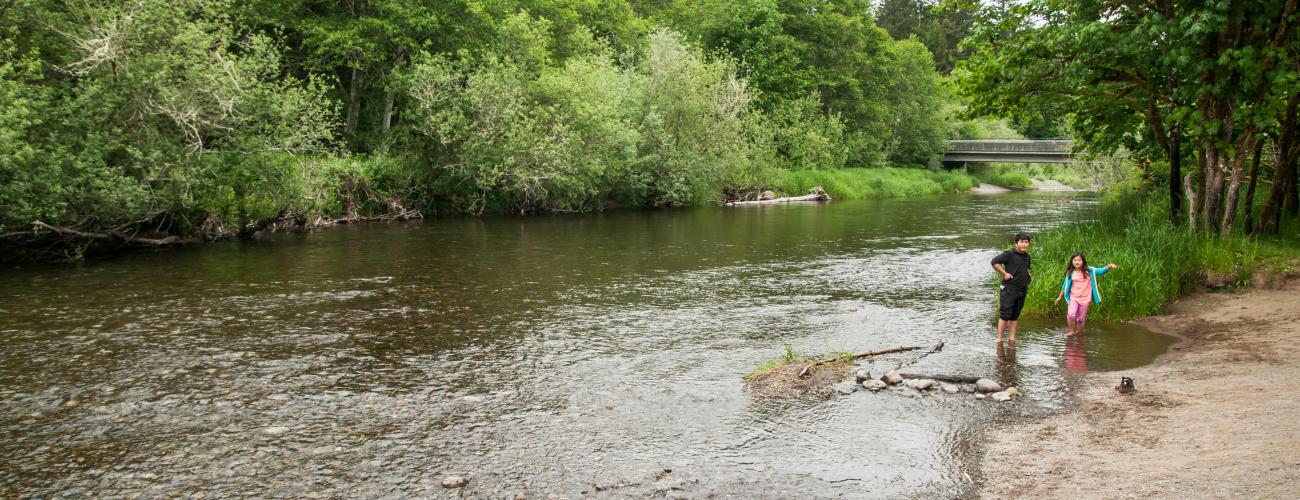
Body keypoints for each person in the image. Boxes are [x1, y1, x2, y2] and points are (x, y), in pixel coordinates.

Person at [1053, 252, 1117, 336]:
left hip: (1085, 298)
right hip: (1073, 297)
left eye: (1079, 260)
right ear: (1072, 262)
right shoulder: (1070, 272)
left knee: (1080, 319)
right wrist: (1059, 297)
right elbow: (1065, 286)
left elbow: (1100, 271)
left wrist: (1109, 266)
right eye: (1075, 260)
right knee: (1071, 315)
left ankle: (1080, 333)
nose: (1077, 262)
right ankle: (1071, 331)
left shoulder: (1089, 270)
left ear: (1083, 261)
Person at [991, 233, 1032, 344]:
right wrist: (1004, 273)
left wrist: (1028, 275)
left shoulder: (1027, 256)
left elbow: (1027, 268)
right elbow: (994, 262)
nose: (1024, 244)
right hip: (1009, 289)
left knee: (1015, 316)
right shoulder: (1009, 254)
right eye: (1022, 242)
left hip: (1022, 289)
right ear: (1016, 243)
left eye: (1026, 242)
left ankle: (1012, 339)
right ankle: (999, 340)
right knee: (1005, 315)